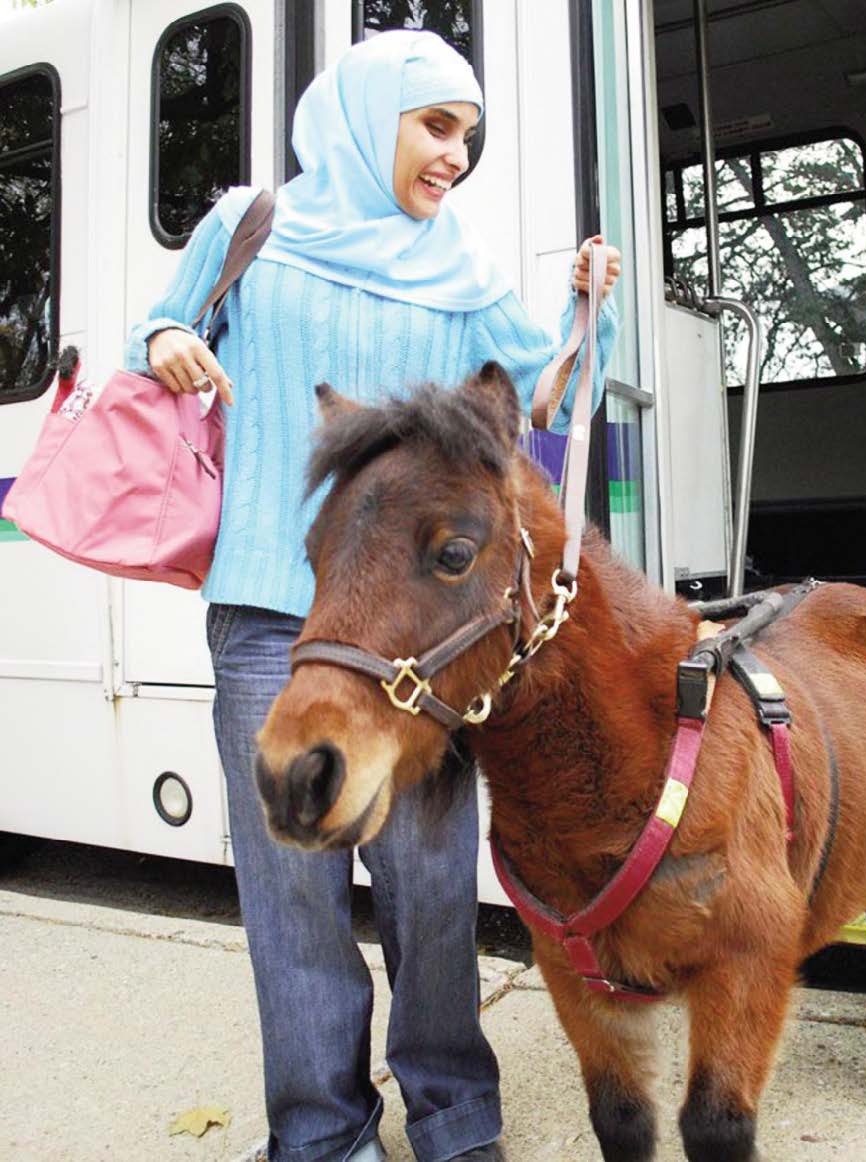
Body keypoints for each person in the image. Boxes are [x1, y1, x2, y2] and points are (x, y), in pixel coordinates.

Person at [125, 30, 621, 1162]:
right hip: (269, 610)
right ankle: (322, 1130)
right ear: (366, 113)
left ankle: (455, 1113)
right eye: (435, 125)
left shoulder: (464, 268)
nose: (455, 155)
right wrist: (165, 338)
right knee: (291, 894)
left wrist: (587, 308)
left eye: (469, 136)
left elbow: (540, 394)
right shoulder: (254, 224)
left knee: (431, 882)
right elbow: (157, 324)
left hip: (410, 631)